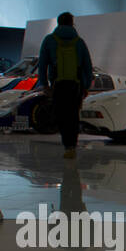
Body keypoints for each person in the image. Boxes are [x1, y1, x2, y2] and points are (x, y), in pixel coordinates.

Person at [37, 12, 93, 159]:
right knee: (73, 115)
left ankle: (66, 145)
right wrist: (86, 86)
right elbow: (88, 66)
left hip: (58, 85)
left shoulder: (49, 40)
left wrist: (44, 84)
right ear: (72, 23)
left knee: (61, 115)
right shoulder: (79, 42)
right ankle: (72, 146)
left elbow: (42, 65)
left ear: (58, 23)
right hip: (75, 85)